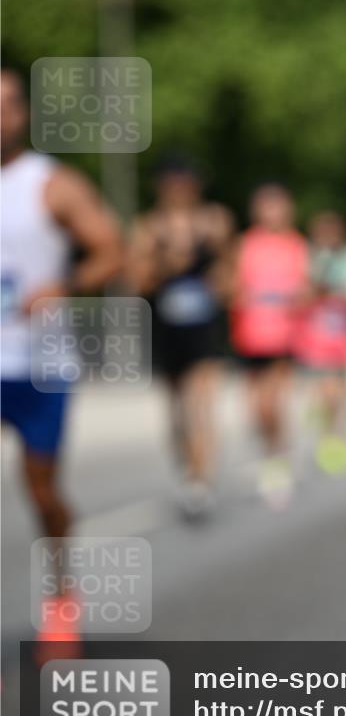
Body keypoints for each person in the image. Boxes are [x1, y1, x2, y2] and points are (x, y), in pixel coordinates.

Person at [0, 68, 123, 657]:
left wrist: (65, 284)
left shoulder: (53, 184)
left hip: (40, 362)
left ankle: (61, 603)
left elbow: (111, 250)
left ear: (23, 114)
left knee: (42, 492)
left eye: (9, 105)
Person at [126, 155, 234, 518]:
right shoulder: (148, 228)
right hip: (167, 329)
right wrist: (164, 266)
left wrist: (220, 281)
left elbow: (229, 271)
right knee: (176, 411)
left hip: (204, 329)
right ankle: (187, 466)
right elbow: (137, 281)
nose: (180, 191)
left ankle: (201, 479)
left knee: (201, 404)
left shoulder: (215, 222)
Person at [230, 183, 309, 506]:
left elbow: (305, 289)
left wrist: (294, 299)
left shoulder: (295, 245)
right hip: (250, 334)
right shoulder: (245, 244)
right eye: (266, 206)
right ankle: (271, 451)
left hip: (283, 335)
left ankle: (276, 460)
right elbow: (232, 286)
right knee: (255, 408)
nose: (272, 213)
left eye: (277, 206)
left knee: (272, 403)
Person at [294, 211, 346, 475]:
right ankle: (328, 437)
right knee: (328, 391)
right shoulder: (307, 257)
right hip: (317, 335)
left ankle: (340, 435)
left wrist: (345, 291)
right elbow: (300, 294)